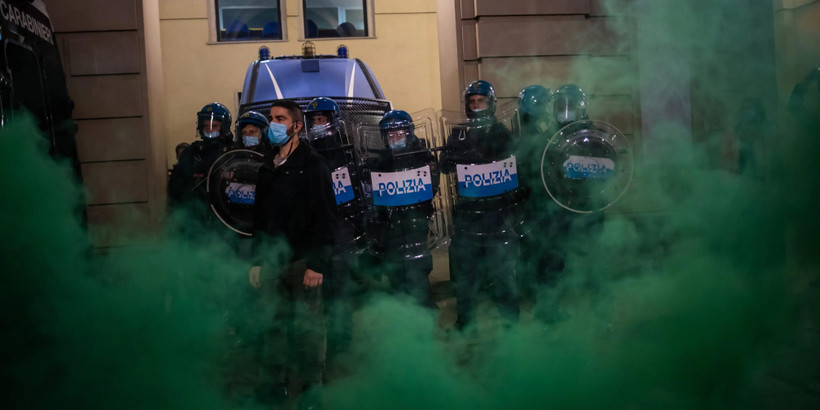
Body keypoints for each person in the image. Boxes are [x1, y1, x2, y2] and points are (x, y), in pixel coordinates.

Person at [249, 100, 336, 409]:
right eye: (271, 118)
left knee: (309, 326)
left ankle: (312, 387)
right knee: (273, 324)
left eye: (280, 118)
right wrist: (258, 260)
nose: (273, 123)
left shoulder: (313, 164)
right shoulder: (268, 164)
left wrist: (317, 264)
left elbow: (327, 217)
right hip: (273, 260)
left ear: (297, 126)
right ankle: (276, 383)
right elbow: (260, 218)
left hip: (302, 260)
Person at [442, 80, 524, 330]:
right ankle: (465, 321)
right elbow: (445, 165)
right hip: (468, 215)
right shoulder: (459, 133)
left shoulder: (502, 133)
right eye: (472, 101)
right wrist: (464, 155)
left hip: (498, 215)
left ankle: (510, 319)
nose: (476, 105)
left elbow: (516, 167)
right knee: (467, 274)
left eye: (481, 101)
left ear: (491, 104)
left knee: (503, 272)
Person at [303, 97, 362, 367]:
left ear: (333, 120)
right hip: (315, 232)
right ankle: (320, 341)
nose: (319, 124)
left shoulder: (347, 150)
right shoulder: (304, 152)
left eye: (323, 119)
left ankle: (342, 340)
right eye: (315, 120)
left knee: (340, 288)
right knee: (317, 292)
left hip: (342, 230)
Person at [365, 110, 439, 307]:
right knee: (395, 275)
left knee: (417, 274)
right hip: (390, 229)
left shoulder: (422, 157)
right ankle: (403, 317)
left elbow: (432, 188)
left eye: (399, 133)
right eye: (390, 134)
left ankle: (425, 316)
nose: (395, 137)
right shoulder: (379, 162)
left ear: (409, 133)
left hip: (415, 224)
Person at [168, 102, 234, 211]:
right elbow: (177, 184)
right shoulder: (191, 152)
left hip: (223, 210)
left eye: (214, 126)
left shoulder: (232, 152)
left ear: (224, 127)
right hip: (195, 210)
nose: (209, 129)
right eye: (206, 126)